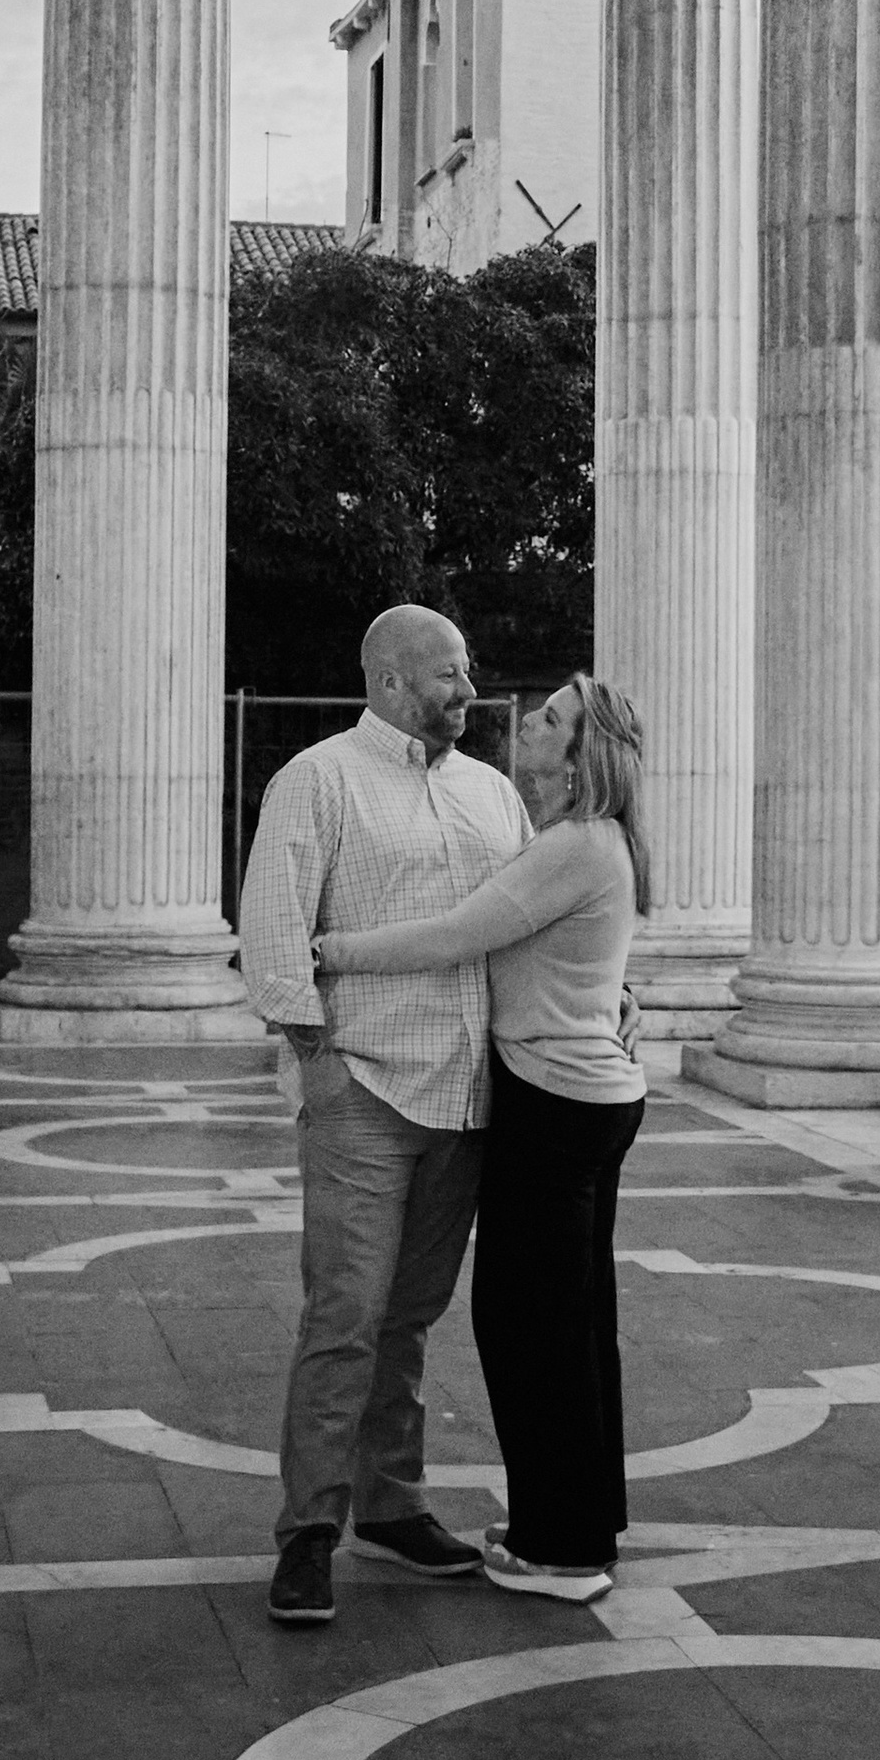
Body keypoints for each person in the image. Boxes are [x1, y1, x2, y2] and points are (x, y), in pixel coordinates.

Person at [316, 670, 649, 1607]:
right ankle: (577, 1519)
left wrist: (329, 949)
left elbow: (457, 934)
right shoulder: (577, 841)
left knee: (531, 1327)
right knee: (573, 1326)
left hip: (556, 1107)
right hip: (582, 1099)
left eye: (551, 718)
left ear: (579, 754)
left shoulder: (575, 845)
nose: (528, 723)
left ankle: (564, 1550)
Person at [238, 602, 529, 1629]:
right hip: (364, 1085)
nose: (468, 690)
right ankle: (309, 1529)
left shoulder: (494, 794)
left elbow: (522, 928)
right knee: (346, 1316)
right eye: (449, 673)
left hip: (465, 1095)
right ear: (392, 681)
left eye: (466, 671)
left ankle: (392, 1505)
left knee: (408, 1316)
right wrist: (317, 1060)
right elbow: (273, 926)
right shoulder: (318, 779)